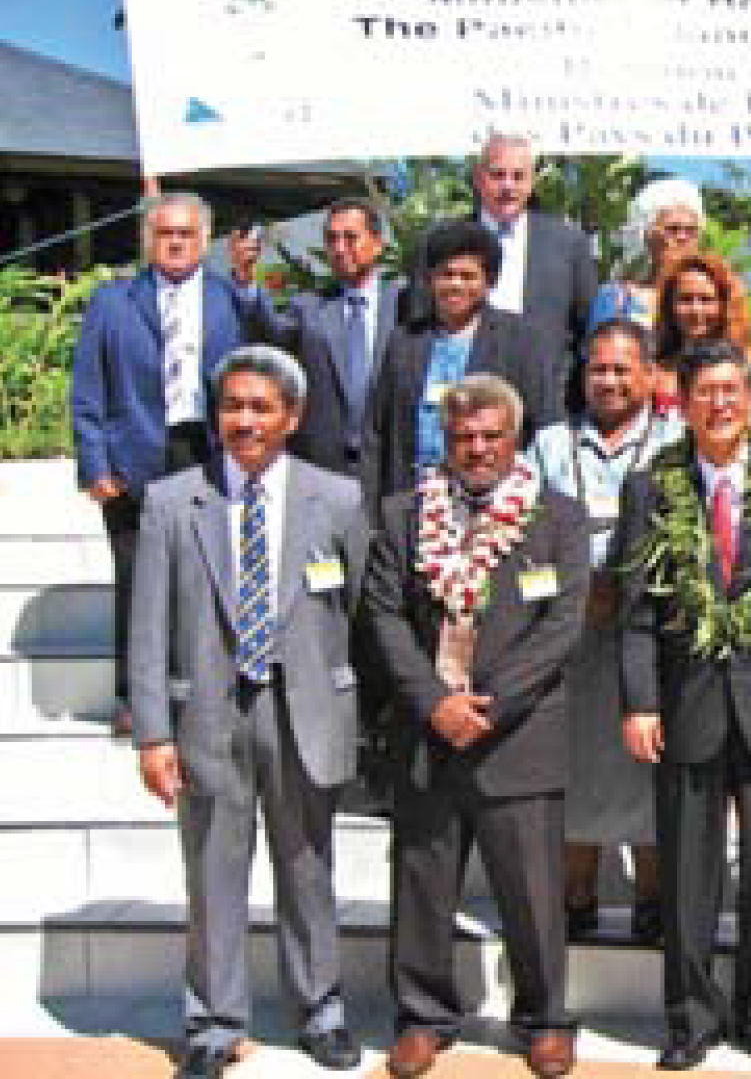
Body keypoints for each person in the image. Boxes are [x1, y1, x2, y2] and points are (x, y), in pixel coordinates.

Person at [128, 346, 367, 1079]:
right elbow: (146, 625)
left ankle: (320, 1010)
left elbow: (360, 610)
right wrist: (152, 733)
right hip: (209, 713)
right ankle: (213, 1021)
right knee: (212, 873)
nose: (246, 420)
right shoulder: (172, 501)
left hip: (305, 712)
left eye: (262, 407)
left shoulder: (338, 499)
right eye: (233, 405)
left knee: (307, 869)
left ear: (292, 416)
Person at [364, 374, 590, 1079]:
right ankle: (422, 1017)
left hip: (517, 733)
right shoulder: (403, 514)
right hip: (428, 729)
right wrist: (435, 701)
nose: (479, 448)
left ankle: (544, 1019)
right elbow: (383, 615)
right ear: (446, 440)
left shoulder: (557, 516)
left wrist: (486, 704)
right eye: (464, 436)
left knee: (533, 893)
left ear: (515, 437)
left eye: (492, 435)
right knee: (421, 885)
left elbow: (562, 626)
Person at [611, 340, 751, 1071]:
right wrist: (639, 701)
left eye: (732, 390)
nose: (720, 404)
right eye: (705, 391)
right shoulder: (649, 486)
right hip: (685, 705)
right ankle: (691, 1019)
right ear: (683, 401)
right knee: (686, 873)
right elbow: (635, 608)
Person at [70, 193, 259, 736]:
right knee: (138, 580)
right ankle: (136, 697)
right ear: (148, 239)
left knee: (212, 575)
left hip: (209, 450)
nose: (175, 243)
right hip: (135, 456)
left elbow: (266, 355)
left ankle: (209, 691)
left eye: (186, 234)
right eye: (165, 233)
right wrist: (94, 463)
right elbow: (88, 388)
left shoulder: (230, 298)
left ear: (204, 240)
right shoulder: (113, 302)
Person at [532, 319, 681, 945]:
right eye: (599, 369)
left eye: (623, 368)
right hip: (568, 632)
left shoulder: (678, 440)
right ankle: (577, 896)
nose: (610, 381)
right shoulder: (549, 444)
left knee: (647, 766)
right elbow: (527, 531)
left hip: (651, 630)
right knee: (576, 765)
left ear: (648, 374)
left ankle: (653, 899)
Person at [360, 218, 560, 515]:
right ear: (430, 279)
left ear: (489, 282)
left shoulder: (521, 341)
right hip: (408, 505)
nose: (455, 285)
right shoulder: (404, 341)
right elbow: (377, 431)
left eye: (468, 276)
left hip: (495, 509)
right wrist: (374, 508)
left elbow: (545, 430)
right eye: (447, 275)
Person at [230, 197, 409, 477]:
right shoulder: (308, 308)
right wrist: (246, 280)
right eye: (332, 239)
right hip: (323, 465)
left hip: (391, 465)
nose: (340, 248)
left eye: (350, 238)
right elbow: (267, 337)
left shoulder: (404, 305)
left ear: (378, 244)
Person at [407, 131, 597, 374]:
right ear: (479, 178)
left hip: (543, 383)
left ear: (532, 181)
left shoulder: (569, 243)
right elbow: (418, 320)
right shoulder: (441, 241)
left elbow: (587, 327)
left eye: (518, 176)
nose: (508, 186)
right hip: (462, 385)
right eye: (498, 175)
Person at [654, 250, 751, 427]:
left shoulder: (746, 362)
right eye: (685, 299)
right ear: (669, 306)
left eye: (706, 300)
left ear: (724, 305)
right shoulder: (657, 365)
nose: (696, 310)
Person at [589, 176, 706, 331]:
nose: (682, 237)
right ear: (647, 235)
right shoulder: (618, 298)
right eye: (672, 229)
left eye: (691, 230)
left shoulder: (708, 301)